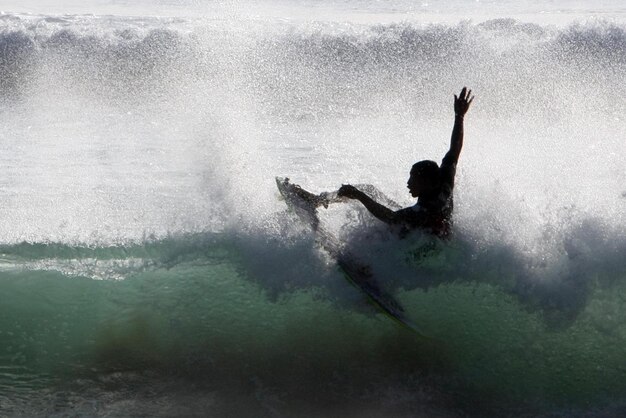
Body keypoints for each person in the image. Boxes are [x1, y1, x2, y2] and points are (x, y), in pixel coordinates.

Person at [337, 87, 474, 238]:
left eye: (414, 179)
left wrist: (359, 196)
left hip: (430, 254)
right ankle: (322, 200)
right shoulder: (445, 183)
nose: (408, 183)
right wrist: (459, 116)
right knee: (370, 190)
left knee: (392, 229)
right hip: (436, 239)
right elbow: (455, 149)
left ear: (427, 182)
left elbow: (390, 218)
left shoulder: (423, 211)